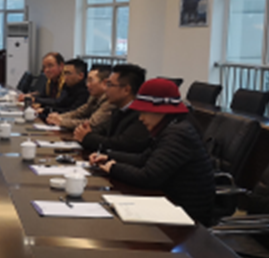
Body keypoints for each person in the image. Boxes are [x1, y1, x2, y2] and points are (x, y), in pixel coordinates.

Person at [89, 78, 215, 225]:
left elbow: (148, 177)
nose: (141, 118)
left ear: (161, 111)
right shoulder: (170, 127)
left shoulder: (178, 134)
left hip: (187, 214)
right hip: (170, 202)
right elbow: (144, 158)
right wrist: (109, 156)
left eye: (144, 112)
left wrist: (113, 168)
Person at [74, 63, 151, 153]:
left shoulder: (140, 116)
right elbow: (103, 132)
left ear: (126, 90)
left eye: (110, 85)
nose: (106, 89)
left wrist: (87, 137)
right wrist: (86, 131)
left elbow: (119, 144)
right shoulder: (118, 110)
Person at [45, 65, 115, 130]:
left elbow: (92, 123)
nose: (87, 84)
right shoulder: (93, 97)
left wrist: (61, 121)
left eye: (91, 80)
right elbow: (78, 113)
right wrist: (59, 117)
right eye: (87, 81)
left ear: (104, 83)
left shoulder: (110, 101)